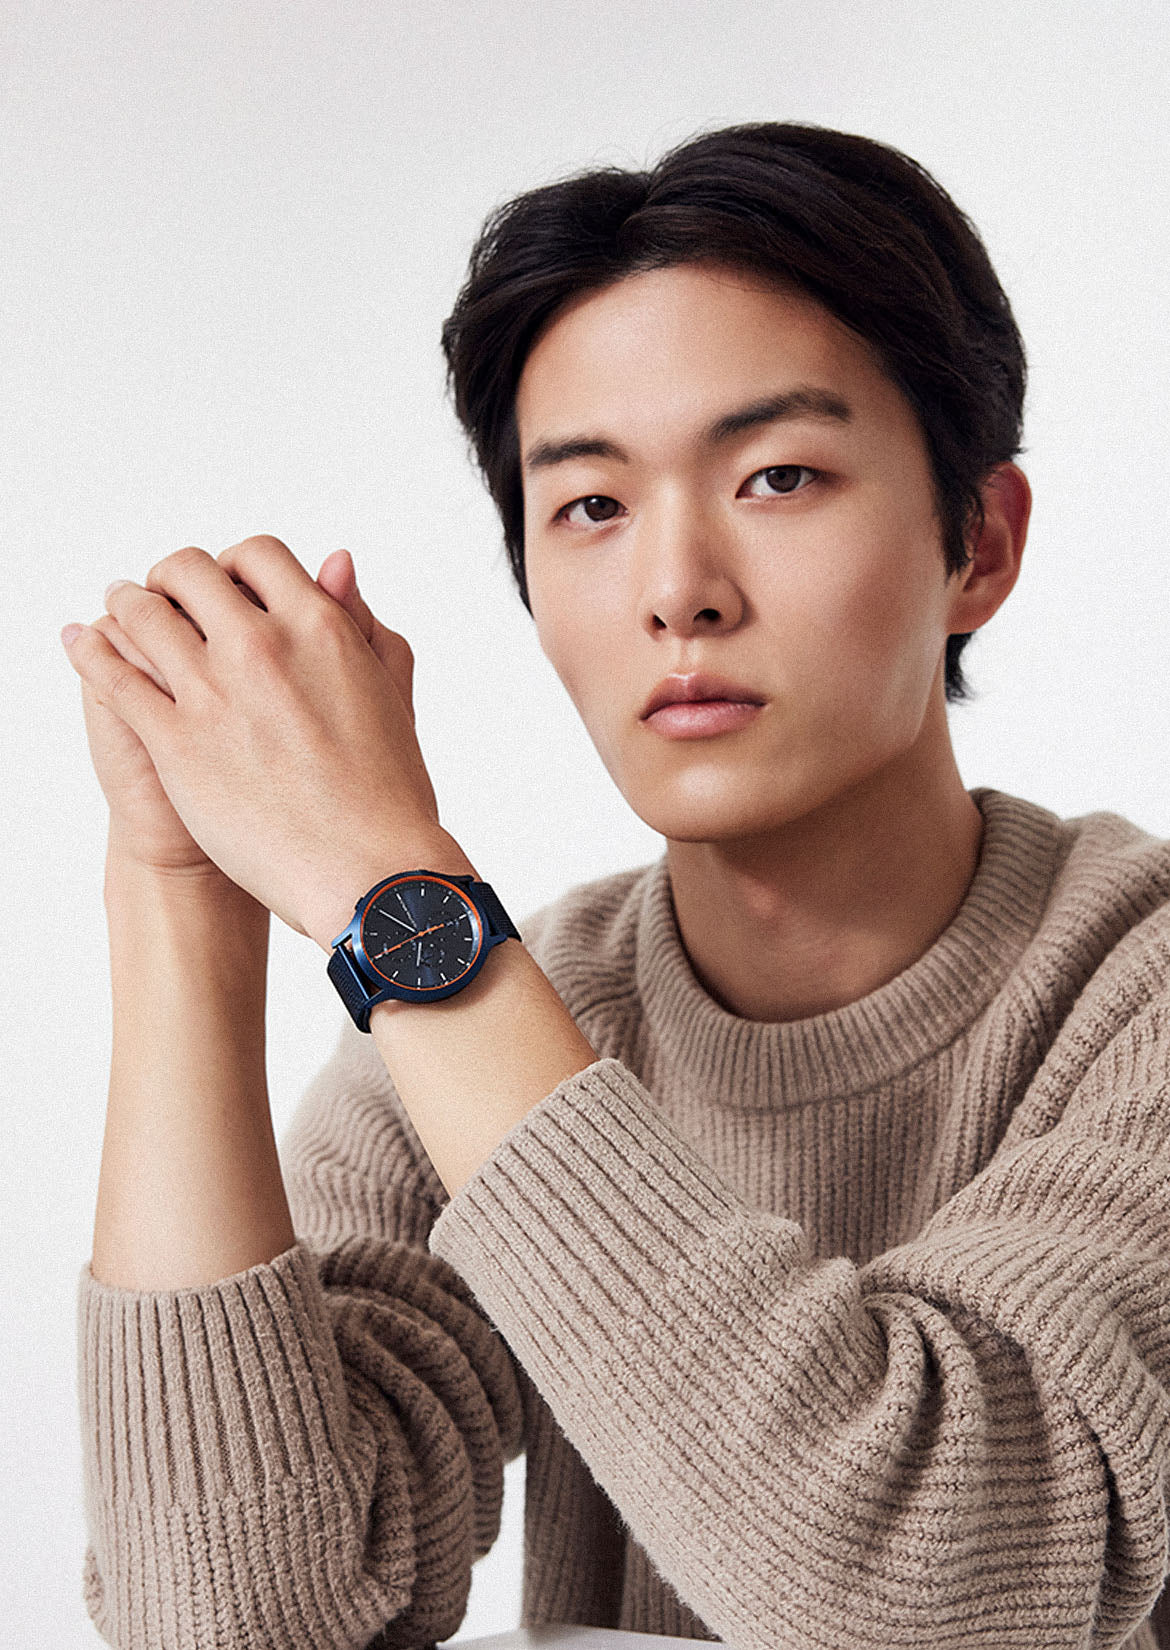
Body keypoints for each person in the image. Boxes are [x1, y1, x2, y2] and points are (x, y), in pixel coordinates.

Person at [62, 122, 1170, 1650]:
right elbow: (231, 1617)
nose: (676, 590)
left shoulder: (1136, 989)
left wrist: (390, 888)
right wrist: (179, 885)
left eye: (777, 475)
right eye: (589, 505)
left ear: (975, 542)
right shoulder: (497, 1025)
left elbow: (925, 1585)